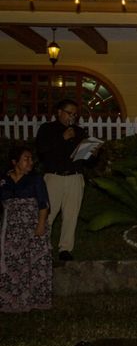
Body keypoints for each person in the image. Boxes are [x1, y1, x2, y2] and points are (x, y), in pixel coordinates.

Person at [0, 146, 52, 312]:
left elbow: (44, 204)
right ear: (15, 162)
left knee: (34, 263)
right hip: (11, 229)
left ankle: (35, 301)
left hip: (33, 226)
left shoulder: (36, 179)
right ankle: (12, 301)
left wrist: (41, 225)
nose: (30, 162)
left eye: (31, 158)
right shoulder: (4, 180)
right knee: (13, 263)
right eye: (26, 158)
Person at [36, 99, 87, 261]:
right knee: (48, 215)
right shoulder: (47, 129)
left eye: (75, 114)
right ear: (59, 112)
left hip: (75, 177)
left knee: (71, 215)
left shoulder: (79, 132)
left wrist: (93, 152)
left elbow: (86, 159)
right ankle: (42, 248)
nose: (72, 117)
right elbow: (42, 152)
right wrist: (62, 138)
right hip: (54, 177)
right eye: (69, 113)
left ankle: (65, 249)